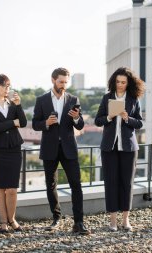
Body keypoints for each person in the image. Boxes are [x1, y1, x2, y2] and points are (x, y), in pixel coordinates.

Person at [32, 67, 90, 235]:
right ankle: (56, 218)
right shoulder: (41, 100)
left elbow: (79, 125)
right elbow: (35, 124)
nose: (63, 85)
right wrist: (46, 123)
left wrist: (76, 118)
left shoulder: (73, 99)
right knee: (51, 184)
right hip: (49, 148)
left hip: (69, 148)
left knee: (76, 185)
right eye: (61, 82)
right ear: (53, 80)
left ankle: (79, 222)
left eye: (66, 82)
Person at [95, 67, 145, 232]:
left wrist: (127, 118)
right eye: (118, 82)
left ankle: (126, 220)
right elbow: (98, 121)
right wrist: (110, 116)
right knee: (111, 183)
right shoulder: (106, 98)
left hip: (129, 148)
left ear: (128, 83)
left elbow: (139, 123)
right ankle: (113, 221)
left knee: (127, 184)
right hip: (109, 147)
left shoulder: (134, 100)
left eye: (123, 82)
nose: (120, 85)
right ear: (113, 82)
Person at [0, 74, 27, 233]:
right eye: (5, 85)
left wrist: (19, 105)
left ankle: (12, 219)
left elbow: (23, 123)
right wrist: (11, 123)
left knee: (12, 189)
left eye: (9, 85)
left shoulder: (13, 104)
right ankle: (3, 222)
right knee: (1, 188)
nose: (8, 88)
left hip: (14, 149)